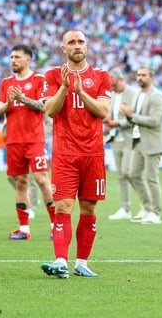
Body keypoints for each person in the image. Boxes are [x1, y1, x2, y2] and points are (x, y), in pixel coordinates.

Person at [40, 29, 111, 278]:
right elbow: (50, 110)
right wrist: (65, 88)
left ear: (87, 46)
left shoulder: (101, 76)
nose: (77, 45)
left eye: (81, 41)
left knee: (89, 209)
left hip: (93, 154)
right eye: (71, 42)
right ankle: (61, 260)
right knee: (63, 205)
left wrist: (81, 92)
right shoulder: (52, 75)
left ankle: (82, 263)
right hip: (65, 153)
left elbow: (103, 111)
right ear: (64, 48)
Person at [0, 44, 55, 240]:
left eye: (17, 57)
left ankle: (56, 225)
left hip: (34, 140)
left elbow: (43, 107)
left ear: (28, 60)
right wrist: (11, 102)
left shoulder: (39, 79)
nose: (13, 60)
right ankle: (24, 228)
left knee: (42, 180)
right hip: (13, 141)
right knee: (20, 182)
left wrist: (23, 97)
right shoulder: (6, 83)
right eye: (11, 57)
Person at [119, 67, 162, 224]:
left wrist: (131, 115)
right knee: (133, 174)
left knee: (151, 178)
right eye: (138, 75)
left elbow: (154, 121)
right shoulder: (138, 95)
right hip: (139, 140)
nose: (140, 78)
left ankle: (156, 213)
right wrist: (127, 116)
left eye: (144, 75)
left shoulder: (157, 96)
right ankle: (146, 208)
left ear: (151, 78)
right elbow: (133, 117)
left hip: (153, 142)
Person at [104, 68, 138, 220]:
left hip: (129, 138)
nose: (111, 87)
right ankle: (125, 208)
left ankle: (147, 204)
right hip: (115, 138)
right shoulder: (111, 95)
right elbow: (108, 113)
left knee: (128, 172)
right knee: (121, 175)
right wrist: (108, 120)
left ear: (121, 80)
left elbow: (135, 117)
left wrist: (118, 123)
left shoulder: (133, 94)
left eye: (114, 84)